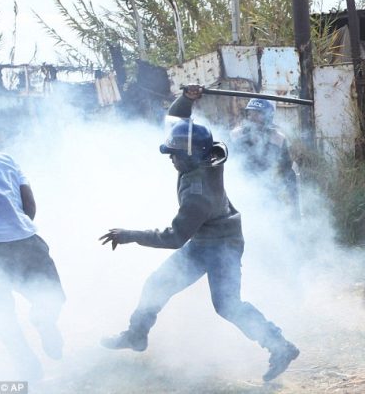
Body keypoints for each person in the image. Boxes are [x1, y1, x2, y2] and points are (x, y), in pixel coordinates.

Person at [98, 86, 299, 382]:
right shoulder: (208, 152)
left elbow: (174, 237)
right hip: (206, 239)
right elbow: (178, 120)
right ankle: (136, 335)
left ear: (190, 154)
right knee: (157, 284)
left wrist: (130, 235)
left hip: (223, 246)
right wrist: (187, 100)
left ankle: (280, 346)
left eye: (175, 154)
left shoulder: (198, 194)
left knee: (228, 305)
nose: (171, 158)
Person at [0, 152, 65, 379]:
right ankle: (45, 319)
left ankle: (28, 368)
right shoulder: (6, 159)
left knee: (2, 315)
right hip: (24, 238)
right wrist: (18, 229)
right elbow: (30, 204)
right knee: (50, 295)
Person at [231, 98, 300, 218]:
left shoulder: (278, 138)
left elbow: (286, 168)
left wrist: (291, 207)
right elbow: (229, 164)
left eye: (258, 114)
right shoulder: (236, 135)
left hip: (268, 188)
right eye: (250, 114)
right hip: (241, 187)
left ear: (268, 117)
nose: (252, 118)